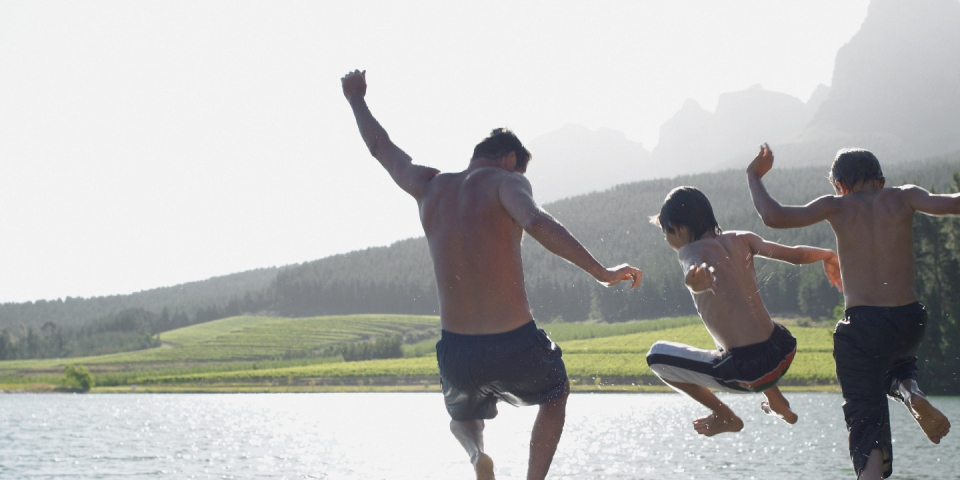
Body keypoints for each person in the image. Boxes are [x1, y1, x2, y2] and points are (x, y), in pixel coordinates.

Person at [341, 69, 641, 480]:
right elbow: (535, 222)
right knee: (555, 393)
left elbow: (381, 147)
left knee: (463, 418)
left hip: (457, 351)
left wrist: (356, 99)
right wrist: (601, 272)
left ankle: (476, 455)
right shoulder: (505, 182)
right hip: (514, 343)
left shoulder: (428, 186)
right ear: (509, 159)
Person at [746, 143, 955, 479]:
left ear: (839, 186)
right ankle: (911, 391)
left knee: (865, 416)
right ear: (882, 181)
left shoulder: (837, 205)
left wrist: (753, 175)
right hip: (909, 319)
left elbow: (773, 216)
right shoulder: (906, 196)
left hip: (864, 325)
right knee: (898, 359)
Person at [646, 186, 841, 437]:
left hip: (749, 372)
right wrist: (828, 254)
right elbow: (796, 255)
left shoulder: (689, 252)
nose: (667, 240)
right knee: (736, 328)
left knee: (655, 358)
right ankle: (778, 402)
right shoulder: (741, 238)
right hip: (783, 349)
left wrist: (696, 281)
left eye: (665, 233)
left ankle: (725, 416)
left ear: (678, 230)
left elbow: (691, 271)